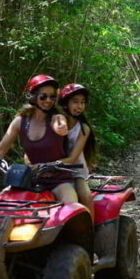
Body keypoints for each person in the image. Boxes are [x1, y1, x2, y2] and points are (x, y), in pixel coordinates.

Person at [0, 74, 78, 204]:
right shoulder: (20, 122)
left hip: (59, 181)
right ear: (33, 96)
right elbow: (1, 149)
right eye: (43, 96)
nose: (48, 100)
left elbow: (61, 123)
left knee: (72, 208)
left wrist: (61, 126)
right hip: (30, 179)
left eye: (52, 96)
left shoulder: (57, 117)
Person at [58, 83, 97, 219]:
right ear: (65, 103)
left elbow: (73, 158)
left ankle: (90, 232)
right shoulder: (55, 122)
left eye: (82, 102)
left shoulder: (83, 128)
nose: (79, 106)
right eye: (75, 102)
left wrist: (50, 163)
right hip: (50, 170)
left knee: (85, 196)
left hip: (75, 170)